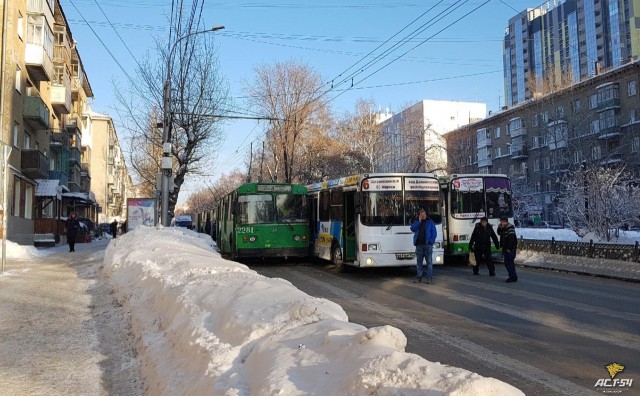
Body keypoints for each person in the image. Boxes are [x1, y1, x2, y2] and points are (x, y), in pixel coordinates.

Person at [410, 208, 437, 284]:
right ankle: (419, 277)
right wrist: (419, 221)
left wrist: (431, 242)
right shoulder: (417, 222)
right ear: (419, 215)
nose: (423, 215)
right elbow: (412, 229)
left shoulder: (430, 222)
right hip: (419, 245)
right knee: (419, 263)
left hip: (428, 246)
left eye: (424, 214)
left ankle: (429, 278)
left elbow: (434, 233)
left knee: (429, 262)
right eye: (421, 214)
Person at [498, 215, 518, 282]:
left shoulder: (510, 228)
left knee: (509, 263)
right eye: (501, 222)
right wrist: (500, 227)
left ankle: (513, 277)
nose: (502, 223)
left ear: (506, 222)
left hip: (510, 249)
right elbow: (499, 233)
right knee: (508, 263)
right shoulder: (504, 228)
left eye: (503, 222)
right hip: (506, 248)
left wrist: (509, 248)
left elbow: (511, 239)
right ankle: (513, 276)